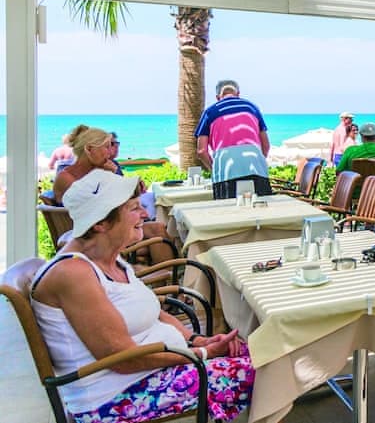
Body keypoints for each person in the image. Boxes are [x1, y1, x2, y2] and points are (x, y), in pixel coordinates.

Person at [31, 169, 254, 422]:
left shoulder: (110, 260)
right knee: (262, 369)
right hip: (115, 399)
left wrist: (198, 340)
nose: (145, 214)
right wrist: (202, 354)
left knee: (259, 353)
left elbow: (155, 313)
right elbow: (121, 359)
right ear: (100, 223)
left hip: (152, 375)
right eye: (134, 208)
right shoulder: (73, 273)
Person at [53, 125, 173, 263]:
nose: (110, 153)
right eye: (106, 147)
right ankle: (168, 273)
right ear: (89, 149)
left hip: (107, 230)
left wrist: (131, 186)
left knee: (159, 229)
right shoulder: (66, 178)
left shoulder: (96, 172)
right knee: (158, 235)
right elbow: (96, 209)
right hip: (92, 238)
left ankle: (168, 274)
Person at [195, 79, 271, 199]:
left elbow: (201, 151)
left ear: (217, 97)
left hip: (225, 168)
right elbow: (266, 145)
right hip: (256, 167)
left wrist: (214, 169)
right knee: (260, 205)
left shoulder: (210, 112)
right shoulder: (252, 108)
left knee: (227, 208)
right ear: (238, 94)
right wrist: (258, 161)